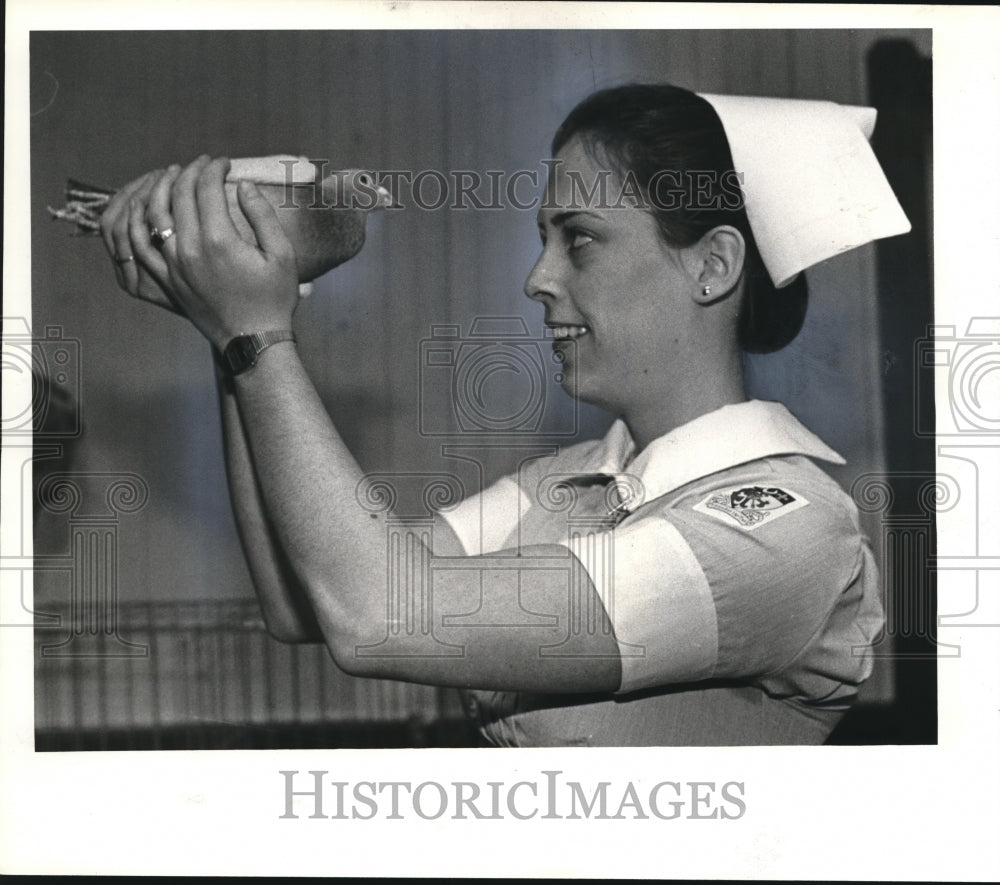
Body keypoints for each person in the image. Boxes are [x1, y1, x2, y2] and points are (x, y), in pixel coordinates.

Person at [99, 83, 890, 746]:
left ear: (712, 265)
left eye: (579, 240)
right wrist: (227, 325)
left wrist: (255, 331)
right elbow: (306, 603)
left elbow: (379, 617)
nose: (538, 278)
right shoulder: (570, 480)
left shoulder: (785, 529)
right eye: (543, 238)